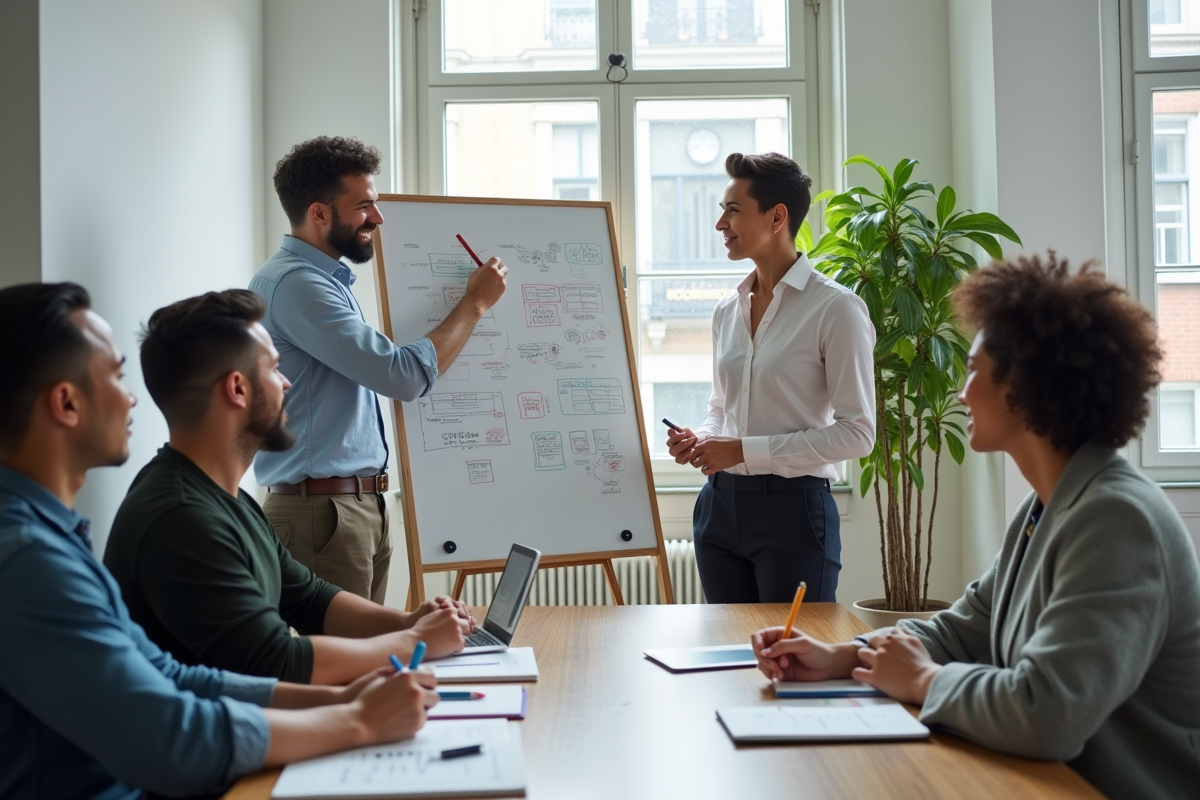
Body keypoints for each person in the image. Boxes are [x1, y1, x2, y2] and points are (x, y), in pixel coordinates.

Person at [750, 253, 1200, 799]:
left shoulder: (1116, 521)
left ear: (1024, 388)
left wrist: (923, 680)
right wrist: (841, 656)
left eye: (972, 371)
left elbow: (1049, 711)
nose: (961, 394)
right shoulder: (1048, 506)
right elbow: (962, 629)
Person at [0, 282, 441, 800]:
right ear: (66, 403)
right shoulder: (32, 559)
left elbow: (175, 677)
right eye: (116, 377)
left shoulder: (53, 537)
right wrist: (358, 720)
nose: (133, 395)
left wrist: (337, 702)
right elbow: (170, 738)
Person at [105, 290, 473, 685]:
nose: (286, 384)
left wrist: (408, 620)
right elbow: (275, 663)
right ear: (238, 389)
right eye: (275, 369)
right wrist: (416, 640)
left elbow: (309, 599)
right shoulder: (181, 518)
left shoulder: (228, 499)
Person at [250, 136, 507, 602]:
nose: (378, 217)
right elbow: (402, 376)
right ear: (319, 213)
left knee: (369, 659)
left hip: (352, 507)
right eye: (364, 205)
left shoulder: (325, 280)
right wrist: (475, 304)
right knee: (343, 668)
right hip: (323, 513)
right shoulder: (298, 286)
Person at [666, 152, 876, 603]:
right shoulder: (726, 310)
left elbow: (858, 434)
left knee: (792, 662)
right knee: (728, 657)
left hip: (794, 511)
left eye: (733, 210)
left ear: (778, 216)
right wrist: (701, 440)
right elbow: (721, 408)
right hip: (718, 509)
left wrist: (742, 450)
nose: (720, 224)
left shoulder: (835, 309)